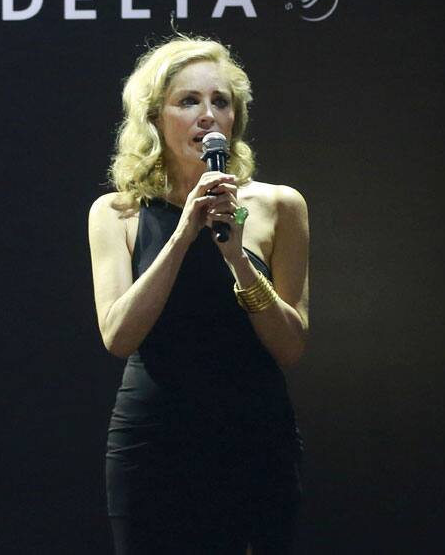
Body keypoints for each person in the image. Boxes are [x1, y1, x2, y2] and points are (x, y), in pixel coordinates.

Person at [88, 37, 310, 553]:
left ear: (236, 118)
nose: (208, 116)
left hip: (255, 438)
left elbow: (291, 347)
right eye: (188, 101)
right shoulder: (115, 213)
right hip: (155, 442)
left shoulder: (280, 206)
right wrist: (184, 232)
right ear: (155, 118)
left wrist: (235, 256)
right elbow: (119, 336)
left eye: (221, 102)